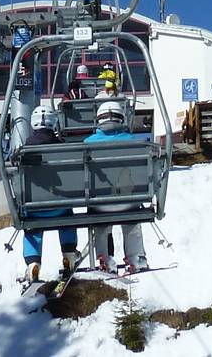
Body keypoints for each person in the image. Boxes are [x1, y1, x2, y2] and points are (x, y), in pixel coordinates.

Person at [85, 79, 149, 273]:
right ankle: (136, 257)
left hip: (99, 202)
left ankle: (104, 257)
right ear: (122, 118)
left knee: (101, 224)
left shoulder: (87, 144)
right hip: (129, 199)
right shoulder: (133, 142)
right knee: (132, 222)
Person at [21, 105, 80, 281]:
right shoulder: (61, 148)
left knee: (32, 228)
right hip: (59, 206)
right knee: (67, 218)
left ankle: (33, 263)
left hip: (34, 208)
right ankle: (69, 254)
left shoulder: (25, 149)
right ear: (53, 123)